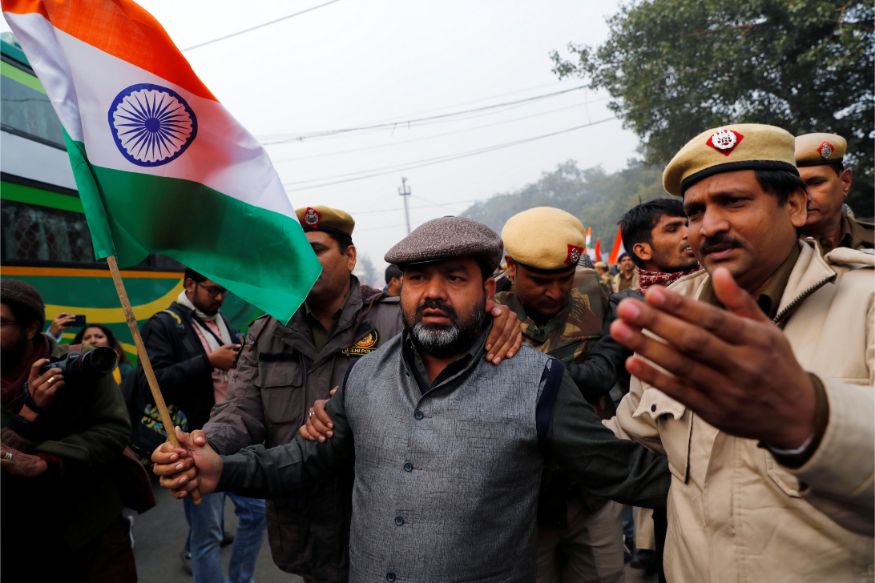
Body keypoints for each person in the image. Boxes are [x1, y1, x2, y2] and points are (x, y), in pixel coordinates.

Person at [153, 215, 671, 582]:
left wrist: (714, 494)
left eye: (455, 278)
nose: (433, 292)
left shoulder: (538, 383)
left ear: (489, 292)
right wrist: (221, 469)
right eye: (418, 278)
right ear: (400, 289)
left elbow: (624, 472)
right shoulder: (365, 376)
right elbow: (305, 460)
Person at [198, 206, 522, 583]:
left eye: (316, 250)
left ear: (350, 256)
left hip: (391, 525)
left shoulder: (399, 319)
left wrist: (497, 318)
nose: (304, 262)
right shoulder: (266, 332)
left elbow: (451, 383)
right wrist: (205, 444)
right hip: (305, 525)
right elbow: (240, 410)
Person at [608, 123, 874, 582]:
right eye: (694, 212)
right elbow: (627, 435)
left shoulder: (866, 302)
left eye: (734, 201)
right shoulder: (672, 318)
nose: (709, 227)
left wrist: (811, 418)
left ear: (795, 206)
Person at [497, 207, 635, 583]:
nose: (556, 292)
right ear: (512, 267)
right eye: (541, 281)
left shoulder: (591, 293)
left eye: (565, 278)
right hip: (521, 497)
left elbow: (604, 372)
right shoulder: (485, 309)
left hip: (589, 489)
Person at [0, 280, 135, 582]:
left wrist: (47, 461)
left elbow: (114, 430)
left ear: (31, 328)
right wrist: (28, 416)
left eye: (0, 323)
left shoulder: (84, 362)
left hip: (94, 532)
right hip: (19, 543)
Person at [138, 268, 265, 583]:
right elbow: (153, 383)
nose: (219, 298)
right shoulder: (163, 325)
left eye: (223, 291)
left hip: (235, 439)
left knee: (256, 514)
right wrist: (208, 362)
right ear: (190, 285)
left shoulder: (223, 322)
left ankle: (241, 579)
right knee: (208, 534)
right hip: (195, 442)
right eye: (213, 290)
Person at [616, 198, 703, 573]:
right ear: (641, 251)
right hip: (662, 469)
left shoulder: (722, 293)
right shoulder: (626, 309)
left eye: (688, 223)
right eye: (673, 228)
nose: (688, 233)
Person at [794, 132, 874, 253]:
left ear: (845, 182)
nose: (805, 197)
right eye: (794, 187)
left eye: (816, 182)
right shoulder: (773, 250)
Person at [619, 198, 701, 291]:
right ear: (643, 251)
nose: (689, 233)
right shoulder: (631, 300)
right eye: (673, 229)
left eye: (688, 225)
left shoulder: (712, 285)